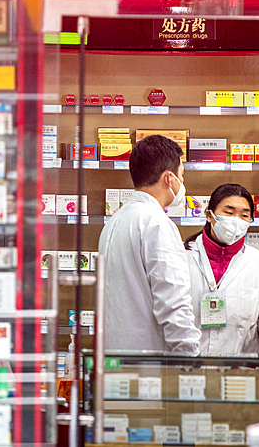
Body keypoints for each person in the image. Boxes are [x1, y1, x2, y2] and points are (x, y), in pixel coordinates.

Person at [98, 135, 200, 354]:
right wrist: (190, 360)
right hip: (150, 364)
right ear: (168, 179)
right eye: (182, 176)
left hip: (116, 356)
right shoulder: (157, 224)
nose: (183, 185)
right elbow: (173, 302)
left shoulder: (115, 221)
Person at [184, 184, 259, 355]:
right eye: (229, 212)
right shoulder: (181, 259)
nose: (236, 220)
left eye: (244, 215)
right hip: (189, 367)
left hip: (238, 372)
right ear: (209, 216)